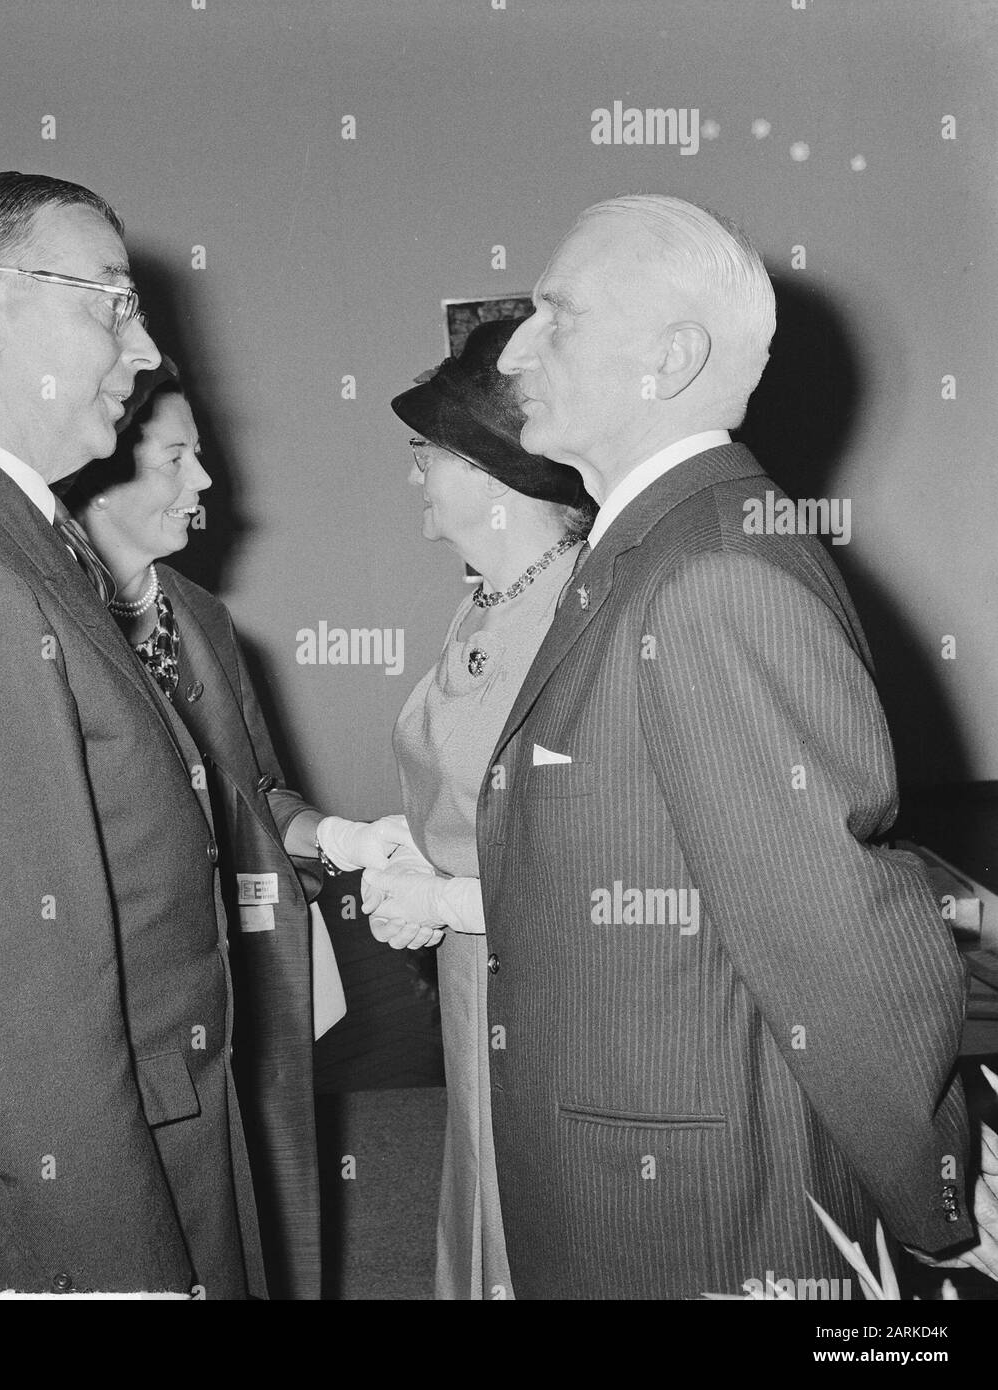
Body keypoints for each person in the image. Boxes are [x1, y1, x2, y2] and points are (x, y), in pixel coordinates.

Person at [0, 171, 415, 1296]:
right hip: (90, 1185)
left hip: (100, 1117)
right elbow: (28, 1054)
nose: (142, 346)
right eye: (110, 300)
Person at [467, 191, 981, 1298]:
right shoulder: (655, 548)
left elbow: (831, 931)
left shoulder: (708, 576)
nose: (514, 346)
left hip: (701, 1207)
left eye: (555, 315)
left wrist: (940, 1185)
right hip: (634, 1166)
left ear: (669, 359)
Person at [67, 375, 421, 1298]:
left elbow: (254, 790)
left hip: (238, 984)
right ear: (95, 477)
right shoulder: (42, 618)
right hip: (118, 1000)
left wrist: (339, 837)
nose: (207, 480)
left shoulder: (203, 619)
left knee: (266, 1236)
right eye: (177, 457)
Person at [358, 319, 595, 1299]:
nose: (413, 468)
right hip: (471, 969)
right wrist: (411, 857)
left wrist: (451, 900)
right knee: (483, 1179)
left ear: (493, 475)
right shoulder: (491, 596)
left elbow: (600, 855)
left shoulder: (575, 611)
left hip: (554, 977)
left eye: (431, 452)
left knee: (547, 1212)